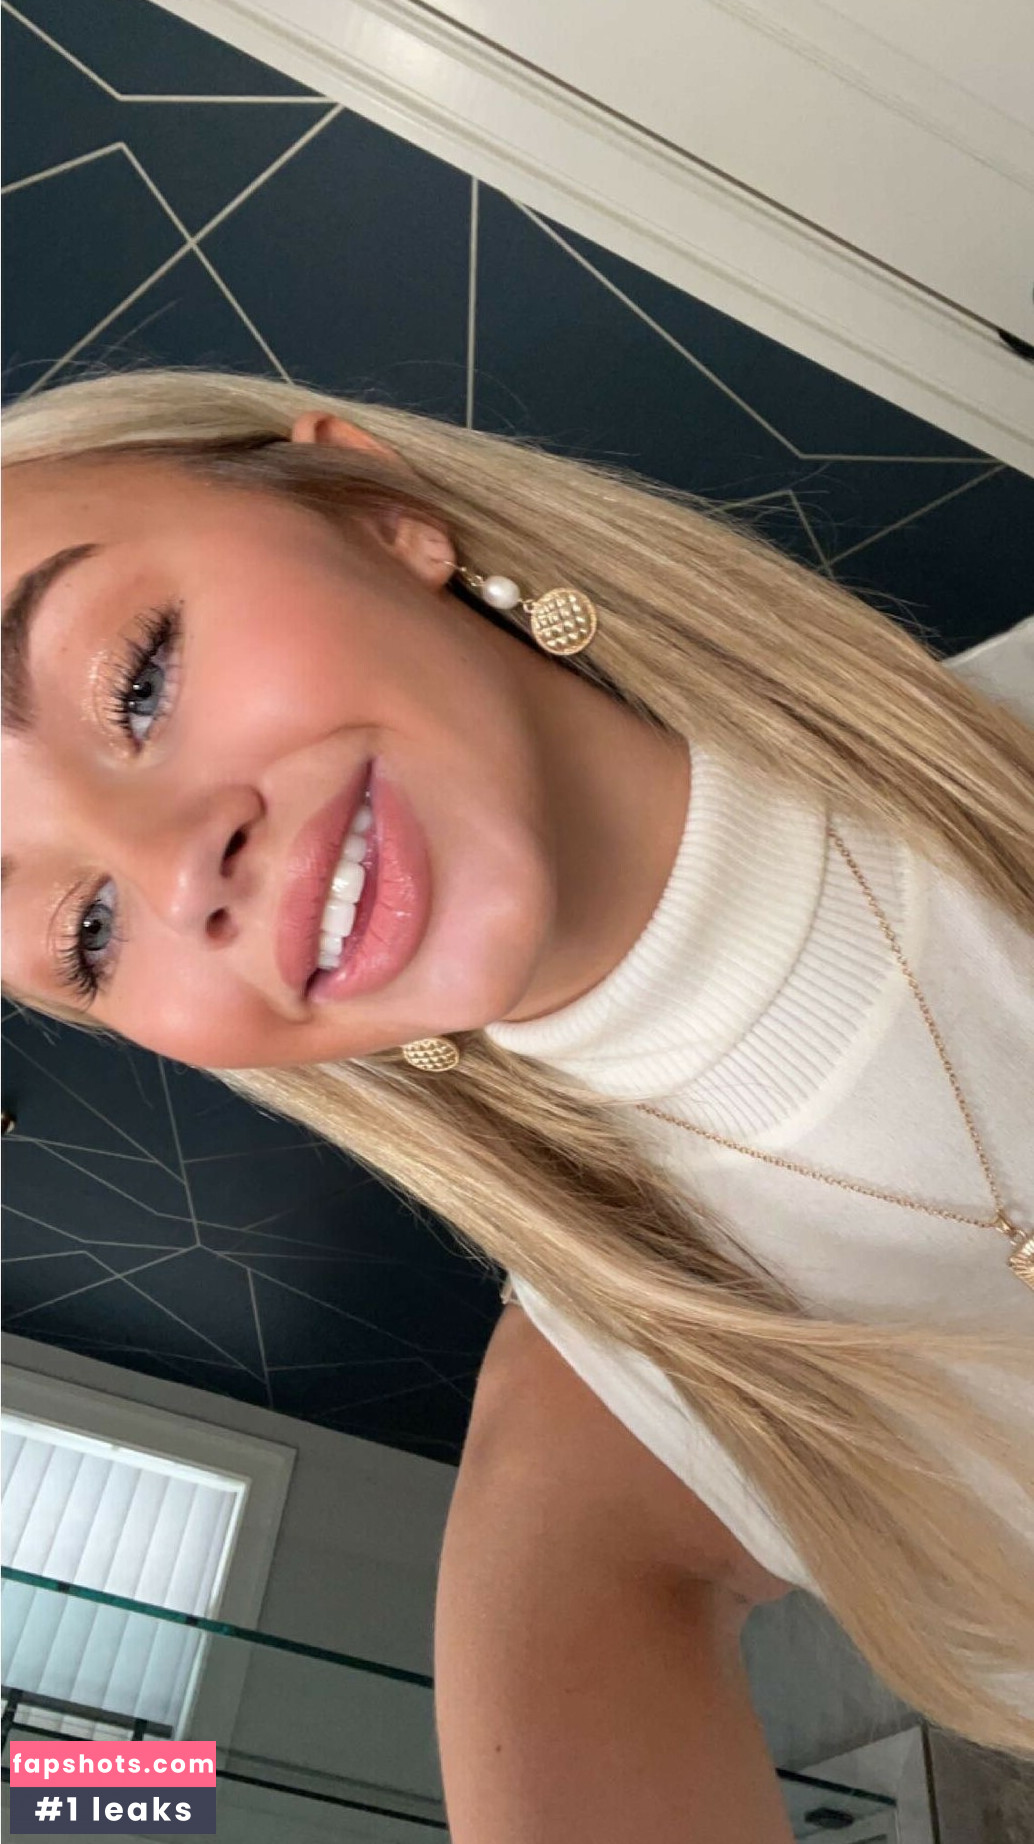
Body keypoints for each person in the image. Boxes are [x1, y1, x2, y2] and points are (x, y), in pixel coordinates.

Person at [2, 366, 1032, 1841]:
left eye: (137, 679)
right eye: (86, 929)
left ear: (374, 511)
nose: (174, 874)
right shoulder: (617, 1430)